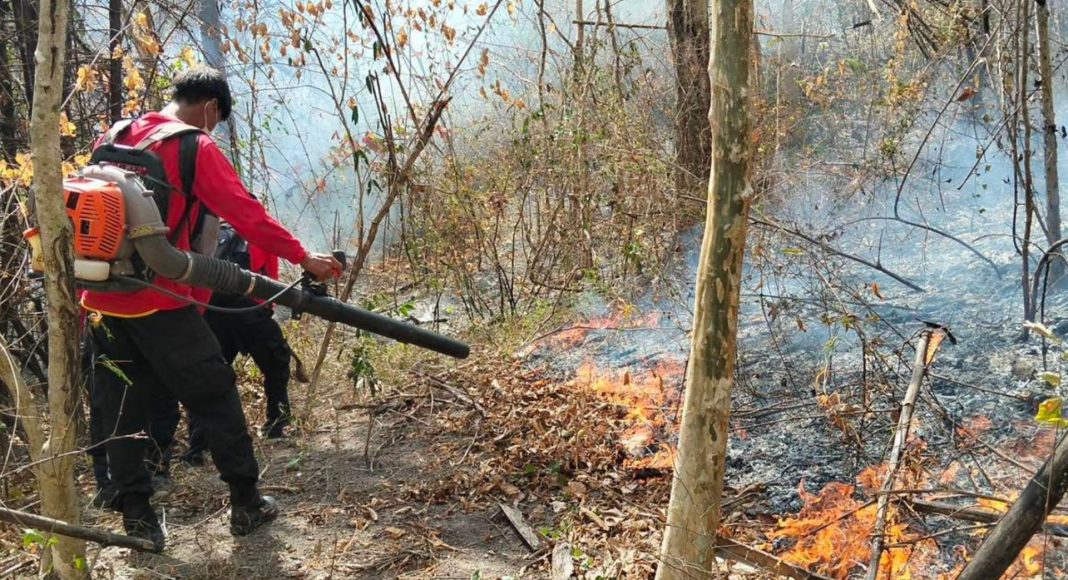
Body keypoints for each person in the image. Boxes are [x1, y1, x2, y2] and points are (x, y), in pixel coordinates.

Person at [84, 65, 342, 550]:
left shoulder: (116, 133)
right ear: (210, 108)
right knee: (216, 396)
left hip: (101, 300)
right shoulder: (194, 146)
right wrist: (303, 256)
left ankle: (138, 521)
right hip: (162, 302)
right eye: (218, 121)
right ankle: (246, 502)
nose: (215, 128)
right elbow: (246, 214)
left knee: (121, 410)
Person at [181, 226, 295, 468]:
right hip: (250, 311)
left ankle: (197, 447)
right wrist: (265, 310)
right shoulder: (261, 234)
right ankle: (277, 424)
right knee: (277, 364)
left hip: (214, 313)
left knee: (207, 377)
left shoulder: (212, 233)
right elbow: (270, 280)